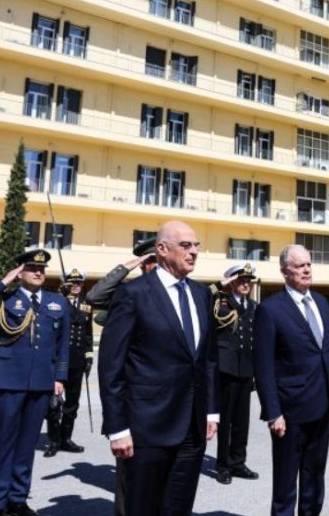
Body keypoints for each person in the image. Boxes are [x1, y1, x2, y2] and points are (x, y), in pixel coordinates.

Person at [98, 221, 218, 516]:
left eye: (196, 246)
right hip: (147, 428)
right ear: (162, 250)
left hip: (192, 427)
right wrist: (117, 429)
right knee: (143, 508)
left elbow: (208, 359)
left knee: (178, 507)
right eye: (186, 246)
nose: (193, 252)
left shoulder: (202, 295)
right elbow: (110, 366)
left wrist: (211, 410)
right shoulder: (134, 294)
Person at [0, 248, 69, 516]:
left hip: (41, 384)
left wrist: (59, 377)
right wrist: (3, 282)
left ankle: (17, 499)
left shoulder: (56, 302)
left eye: (42, 269)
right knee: (3, 445)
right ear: (20, 271)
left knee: (26, 446)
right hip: (7, 382)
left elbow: (63, 345)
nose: (38, 273)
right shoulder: (5, 298)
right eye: (32, 268)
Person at [254, 244, 329, 516]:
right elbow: (263, 366)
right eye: (299, 265)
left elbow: (327, 351)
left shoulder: (321, 302)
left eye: (308, 264)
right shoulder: (270, 310)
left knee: (315, 477)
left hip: (321, 405)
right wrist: (272, 412)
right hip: (289, 412)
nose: (306, 269)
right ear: (284, 272)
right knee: (285, 483)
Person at [84, 236, 156, 516]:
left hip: (164, 400)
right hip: (133, 398)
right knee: (130, 478)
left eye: (156, 261)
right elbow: (94, 298)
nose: (154, 266)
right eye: (148, 262)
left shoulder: (175, 292)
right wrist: (126, 267)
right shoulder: (128, 291)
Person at [214, 263, 259, 485]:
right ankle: (222, 465)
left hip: (246, 370)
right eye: (241, 280)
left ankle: (238, 463)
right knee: (226, 421)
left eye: (248, 281)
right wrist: (220, 287)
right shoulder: (221, 303)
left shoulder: (253, 306)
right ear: (231, 282)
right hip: (226, 369)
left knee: (242, 421)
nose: (246, 284)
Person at [44, 269, 94, 458]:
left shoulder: (87, 305)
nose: (75, 286)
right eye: (72, 283)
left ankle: (66, 438)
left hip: (78, 360)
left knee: (72, 403)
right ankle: (53, 441)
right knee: (54, 402)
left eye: (78, 283)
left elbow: (88, 333)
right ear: (66, 285)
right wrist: (63, 300)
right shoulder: (58, 302)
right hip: (59, 360)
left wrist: (89, 356)